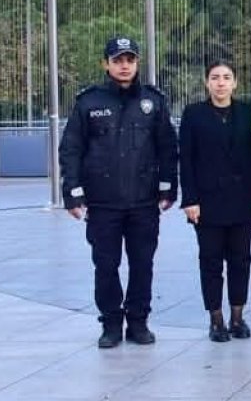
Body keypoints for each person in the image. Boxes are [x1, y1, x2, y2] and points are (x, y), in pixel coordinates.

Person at [59, 36, 177, 349]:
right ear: (106, 64)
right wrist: (72, 193)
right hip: (103, 203)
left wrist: (168, 188)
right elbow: (71, 149)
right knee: (106, 266)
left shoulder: (154, 101)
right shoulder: (89, 102)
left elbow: (167, 148)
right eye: (118, 60)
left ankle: (138, 322)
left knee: (142, 265)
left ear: (137, 63)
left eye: (130, 59)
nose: (124, 66)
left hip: (144, 201)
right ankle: (111, 324)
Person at [179, 61, 251, 342]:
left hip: (242, 200)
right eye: (215, 78)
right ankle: (216, 319)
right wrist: (190, 199)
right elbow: (187, 160)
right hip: (207, 203)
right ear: (207, 83)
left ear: (235, 83)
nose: (221, 83)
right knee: (211, 262)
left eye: (226, 77)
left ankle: (237, 317)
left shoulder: (246, 113)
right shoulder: (194, 115)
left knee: (241, 260)